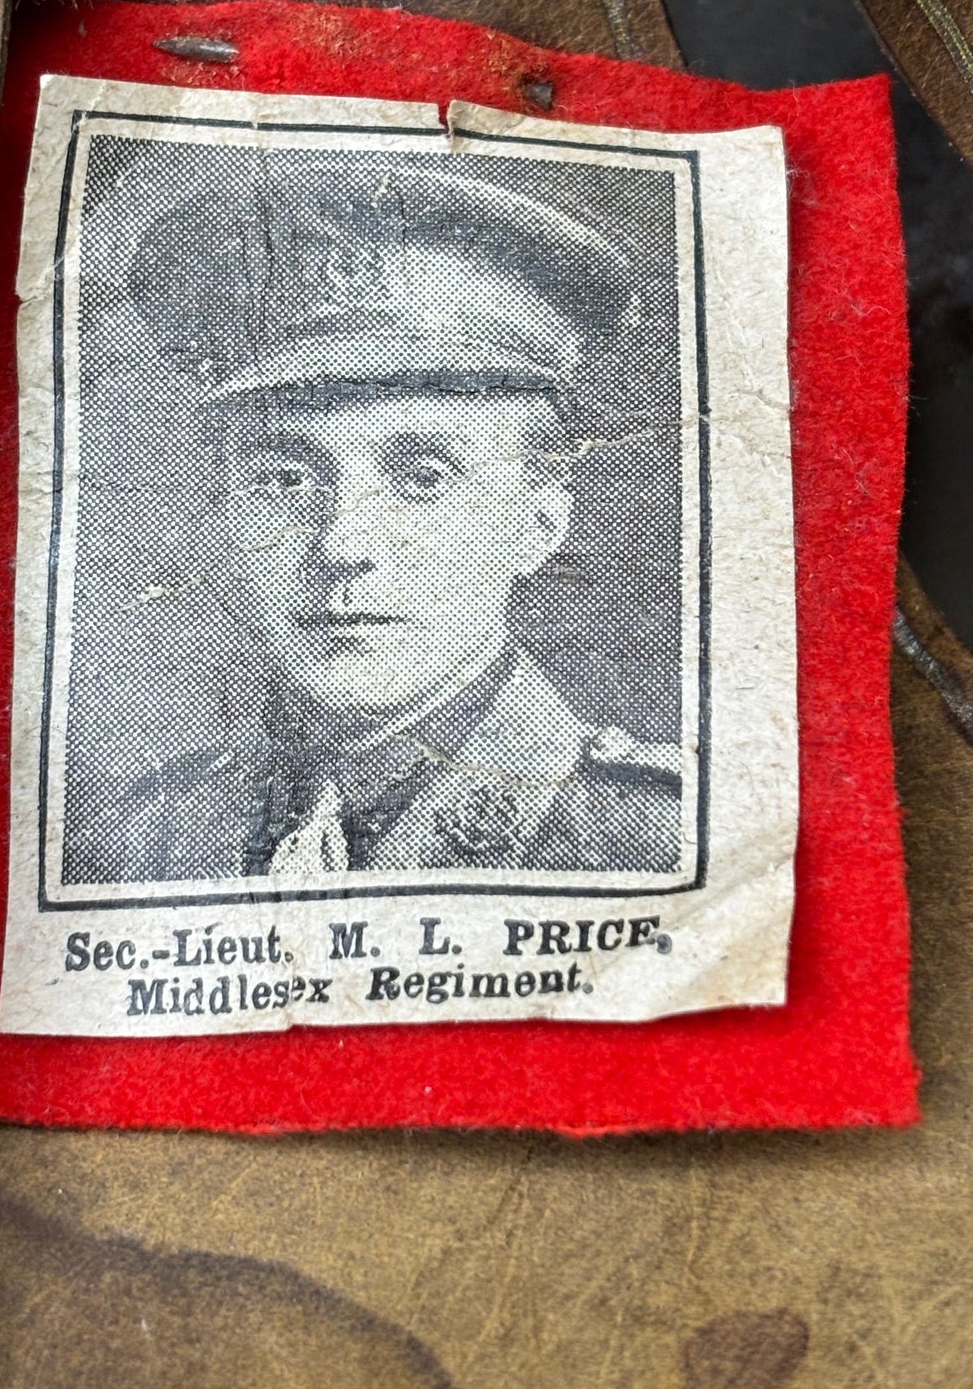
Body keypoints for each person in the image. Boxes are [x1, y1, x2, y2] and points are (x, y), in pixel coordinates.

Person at [75, 167, 682, 886]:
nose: (342, 546)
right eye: (283, 480)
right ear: (225, 505)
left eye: (423, 478)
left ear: (538, 521)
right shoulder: (145, 839)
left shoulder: (650, 837)